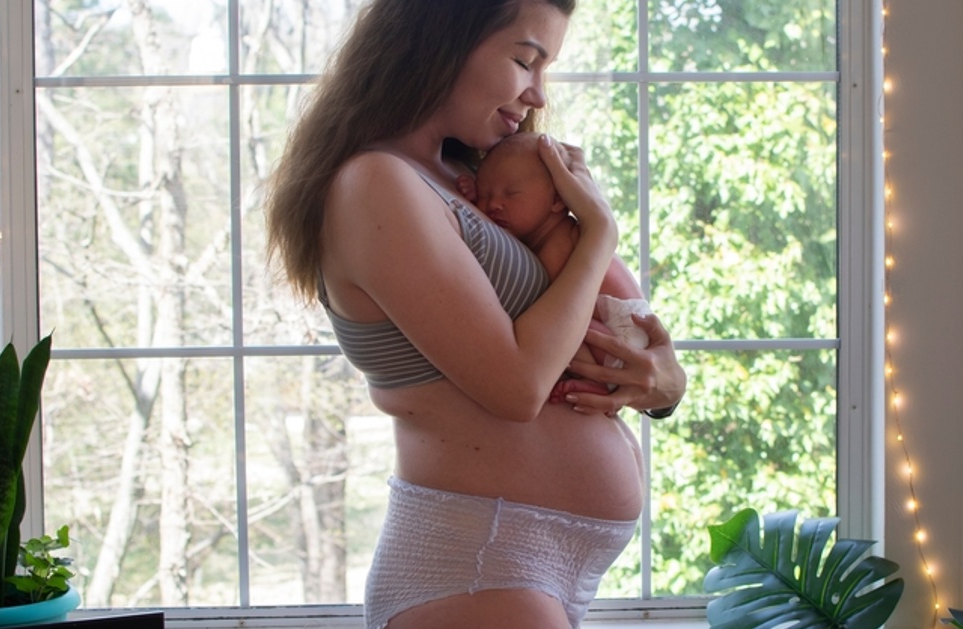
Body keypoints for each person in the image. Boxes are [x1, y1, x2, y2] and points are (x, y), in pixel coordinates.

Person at [261, 0, 687, 627]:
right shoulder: (375, 183)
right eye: (525, 60)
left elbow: (598, 321)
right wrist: (599, 230)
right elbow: (515, 386)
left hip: (512, 565)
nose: (537, 92)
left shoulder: (466, 180)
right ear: (439, 37)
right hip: (478, 560)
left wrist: (663, 388)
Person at [459, 131, 656, 401]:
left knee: (565, 324)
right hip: (622, 337)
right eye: (485, 193)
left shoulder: (561, 241)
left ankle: (592, 380)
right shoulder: (542, 233)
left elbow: (551, 306)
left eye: (511, 193)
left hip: (622, 333)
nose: (493, 203)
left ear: (558, 200)